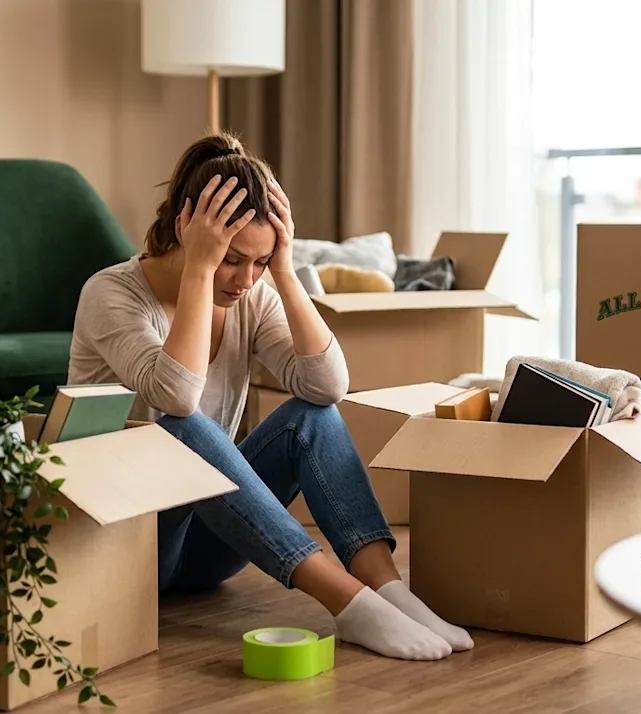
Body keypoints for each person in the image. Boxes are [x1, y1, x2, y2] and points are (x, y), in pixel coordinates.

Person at [67, 132, 473, 661]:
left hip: (210, 545)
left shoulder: (254, 292)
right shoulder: (110, 294)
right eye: (232, 259)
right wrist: (199, 270)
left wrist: (284, 272)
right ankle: (349, 603)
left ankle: (388, 591)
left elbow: (327, 386)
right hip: (130, 546)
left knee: (314, 416)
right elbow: (177, 399)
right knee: (178, 429)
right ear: (185, 228)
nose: (245, 280)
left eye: (260, 262)